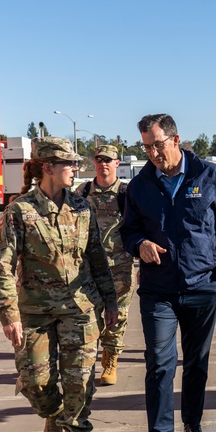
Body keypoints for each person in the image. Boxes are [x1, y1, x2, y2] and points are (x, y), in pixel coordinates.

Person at [0, 137, 119, 432]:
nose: (76, 169)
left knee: (79, 380)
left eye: (76, 164)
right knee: (34, 380)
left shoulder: (81, 207)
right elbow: (1, 266)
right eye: (69, 164)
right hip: (35, 310)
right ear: (47, 168)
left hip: (80, 308)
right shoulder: (20, 212)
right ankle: (52, 412)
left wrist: (111, 302)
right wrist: (8, 315)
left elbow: (97, 260)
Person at [120, 113, 216, 432]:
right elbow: (127, 232)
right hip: (158, 289)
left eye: (157, 144)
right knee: (159, 363)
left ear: (175, 139)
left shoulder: (208, 174)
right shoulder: (140, 185)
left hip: (202, 286)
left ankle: (192, 426)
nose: (153, 153)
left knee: (196, 363)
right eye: (146, 147)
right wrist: (139, 243)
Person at [76, 144, 134, 386]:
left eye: (108, 160)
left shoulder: (127, 193)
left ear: (117, 163)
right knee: (87, 316)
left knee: (116, 317)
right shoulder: (83, 190)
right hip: (89, 267)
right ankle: (85, 361)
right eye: (99, 159)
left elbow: (138, 226)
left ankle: (110, 362)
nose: (103, 164)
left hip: (119, 266)